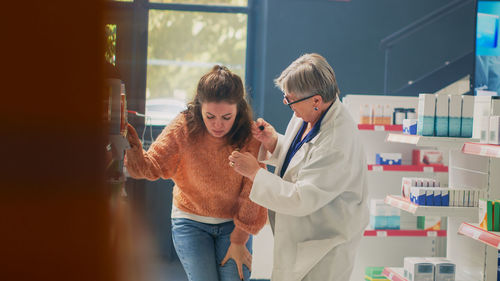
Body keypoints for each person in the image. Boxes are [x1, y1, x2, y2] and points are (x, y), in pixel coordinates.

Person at [228, 53, 369, 281]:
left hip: (324, 247)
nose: (288, 105)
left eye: (291, 100)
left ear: (315, 100)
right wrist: (274, 142)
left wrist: (255, 173)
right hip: (303, 239)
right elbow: (305, 157)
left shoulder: (337, 142)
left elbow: (301, 197)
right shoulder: (311, 114)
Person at [125, 65, 267, 281]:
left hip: (233, 224)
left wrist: (239, 239)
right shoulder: (184, 126)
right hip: (190, 221)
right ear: (199, 108)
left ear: (238, 109)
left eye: (226, 117)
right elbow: (151, 166)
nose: (217, 125)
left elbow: (254, 191)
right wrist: (134, 152)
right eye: (210, 116)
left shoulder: (250, 135)